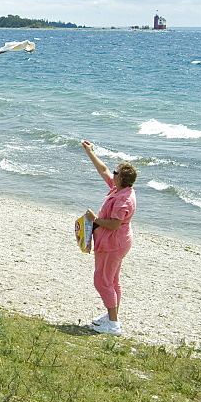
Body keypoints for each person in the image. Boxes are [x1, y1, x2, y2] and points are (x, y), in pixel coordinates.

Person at [81, 140, 137, 336]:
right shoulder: (119, 189)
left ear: (122, 178)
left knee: (102, 281)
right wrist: (90, 152)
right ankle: (111, 316)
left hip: (114, 243)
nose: (112, 175)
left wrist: (94, 219)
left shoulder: (124, 200)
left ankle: (113, 325)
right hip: (117, 241)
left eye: (116, 173)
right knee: (112, 280)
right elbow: (103, 170)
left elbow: (114, 224)